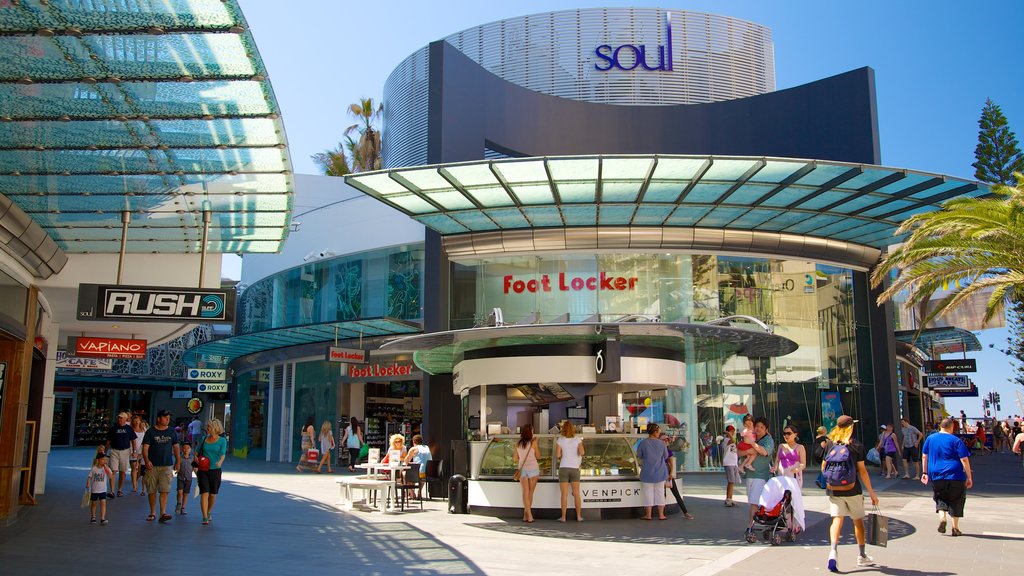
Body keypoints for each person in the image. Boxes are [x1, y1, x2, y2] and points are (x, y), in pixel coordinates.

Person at [822, 415, 879, 572]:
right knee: (858, 521)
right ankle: (862, 555)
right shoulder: (856, 445)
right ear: (850, 427)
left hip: (834, 488)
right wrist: (872, 494)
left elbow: (823, 468)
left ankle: (833, 551)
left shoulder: (829, 444)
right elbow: (862, 471)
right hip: (852, 489)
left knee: (836, 520)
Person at [921, 417, 972, 536]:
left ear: (940, 426)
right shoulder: (956, 440)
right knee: (957, 499)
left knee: (940, 498)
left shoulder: (930, 439)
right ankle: (955, 528)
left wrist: (924, 473)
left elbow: (924, 456)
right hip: (955, 475)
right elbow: (964, 459)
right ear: (952, 427)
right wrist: (969, 476)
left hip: (936, 474)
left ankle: (942, 518)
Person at [142, 409, 181, 523]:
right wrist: (146, 460)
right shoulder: (150, 432)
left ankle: (162, 513)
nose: (167, 419)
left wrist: (178, 461)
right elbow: (145, 448)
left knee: (165, 490)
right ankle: (152, 512)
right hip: (152, 465)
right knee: (151, 490)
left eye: (168, 417)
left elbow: (176, 447)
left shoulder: (171, 431)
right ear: (159, 418)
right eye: (165, 417)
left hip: (166, 465)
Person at [740, 416, 774, 536]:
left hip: (762, 475)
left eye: (762, 427)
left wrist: (753, 445)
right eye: (757, 426)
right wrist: (748, 451)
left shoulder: (768, 440)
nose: (758, 429)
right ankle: (758, 524)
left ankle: (750, 526)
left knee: (755, 502)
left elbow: (765, 452)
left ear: (766, 429)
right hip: (750, 474)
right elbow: (739, 451)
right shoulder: (750, 436)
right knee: (753, 501)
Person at [196, 418, 228, 526]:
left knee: (213, 494)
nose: (207, 428)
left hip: (215, 470)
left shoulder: (222, 441)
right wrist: (197, 460)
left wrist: (220, 461)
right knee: (204, 492)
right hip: (203, 470)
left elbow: (223, 454)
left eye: (209, 427)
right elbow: (196, 452)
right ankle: (204, 516)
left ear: (215, 428)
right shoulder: (204, 439)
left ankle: (209, 511)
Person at [635, 423, 668, 520]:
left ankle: (648, 515)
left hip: (647, 473)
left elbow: (639, 455)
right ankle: (661, 515)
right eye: (658, 432)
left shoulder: (643, 443)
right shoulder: (662, 444)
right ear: (654, 432)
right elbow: (666, 456)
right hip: (660, 472)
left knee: (647, 493)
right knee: (660, 493)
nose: (659, 434)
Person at [555, 420, 585, 522]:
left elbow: (558, 455)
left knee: (564, 494)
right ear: (573, 429)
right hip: (575, 468)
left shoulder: (560, 440)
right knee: (576, 493)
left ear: (563, 429)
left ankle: (563, 517)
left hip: (563, 467)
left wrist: (564, 455)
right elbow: (582, 452)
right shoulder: (577, 439)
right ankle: (579, 516)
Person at [511, 425, 540, 523]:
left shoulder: (518, 444)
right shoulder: (533, 443)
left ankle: (526, 515)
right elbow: (538, 456)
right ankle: (530, 516)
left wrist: (521, 457)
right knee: (530, 493)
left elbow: (515, 458)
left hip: (522, 470)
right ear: (530, 432)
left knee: (525, 493)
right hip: (533, 469)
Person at [661, 432, 694, 519]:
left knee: (675, 493)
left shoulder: (668, 451)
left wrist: (671, 473)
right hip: (660, 474)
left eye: (667, 439)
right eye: (664, 440)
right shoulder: (660, 450)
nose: (666, 441)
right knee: (662, 494)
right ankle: (662, 513)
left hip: (666, 474)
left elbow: (671, 463)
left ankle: (685, 512)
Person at [104, 412, 135, 497]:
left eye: (121, 418)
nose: (120, 419)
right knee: (113, 471)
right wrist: (105, 452)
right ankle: (112, 491)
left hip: (125, 451)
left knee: (123, 471)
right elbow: (108, 441)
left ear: (126, 419)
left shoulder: (129, 428)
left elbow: (133, 440)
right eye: (119, 418)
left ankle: (120, 490)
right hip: (114, 451)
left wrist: (134, 451)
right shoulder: (113, 428)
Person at [86, 451, 113, 525]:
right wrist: (88, 482)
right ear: (98, 460)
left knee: (103, 503)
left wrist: (106, 469)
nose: (105, 461)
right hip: (94, 490)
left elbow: (111, 477)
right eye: (103, 459)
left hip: (103, 490)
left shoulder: (106, 469)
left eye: (106, 459)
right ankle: (93, 517)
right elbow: (90, 476)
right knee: (94, 504)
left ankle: (102, 518)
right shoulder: (94, 468)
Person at [721, 425, 740, 507]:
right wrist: (728, 434)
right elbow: (732, 439)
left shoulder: (732, 441)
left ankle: (730, 498)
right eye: (732, 431)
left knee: (732, 482)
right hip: (728, 463)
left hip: (734, 463)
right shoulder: (726, 440)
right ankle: (728, 499)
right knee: (730, 481)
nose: (733, 433)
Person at [129, 415, 146, 495]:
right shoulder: (131, 430)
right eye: (135, 421)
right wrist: (133, 451)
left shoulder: (143, 430)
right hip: (133, 451)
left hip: (142, 451)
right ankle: (134, 486)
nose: (136, 422)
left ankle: (135, 480)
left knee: (140, 469)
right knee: (134, 468)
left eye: (138, 421)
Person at [175, 443, 193, 516]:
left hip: (188, 478)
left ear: (190, 449)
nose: (186, 450)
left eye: (188, 448)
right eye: (184, 448)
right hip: (180, 478)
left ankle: (183, 507)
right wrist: (176, 469)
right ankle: (178, 503)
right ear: (182, 449)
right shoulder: (179, 458)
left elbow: (194, 468)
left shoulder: (192, 459)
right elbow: (175, 466)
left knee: (185, 493)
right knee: (180, 492)